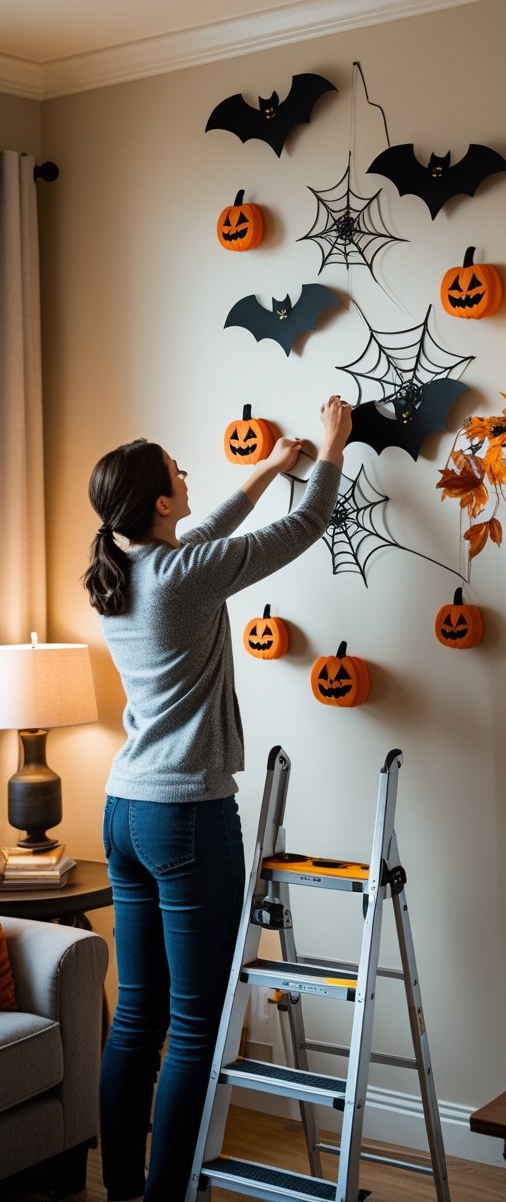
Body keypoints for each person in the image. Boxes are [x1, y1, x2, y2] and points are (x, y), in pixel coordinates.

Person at [82, 395, 352, 1202]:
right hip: (188, 816)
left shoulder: (127, 570)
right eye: (178, 471)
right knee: (196, 1026)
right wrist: (332, 450)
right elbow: (298, 533)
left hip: (125, 810)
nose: (190, 474)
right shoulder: (184, 575)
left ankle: (125, 1190)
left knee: (138, 1019)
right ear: (161, 499)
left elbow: (211, 535)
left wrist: (268, 469)